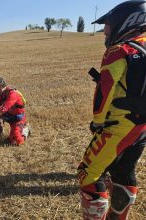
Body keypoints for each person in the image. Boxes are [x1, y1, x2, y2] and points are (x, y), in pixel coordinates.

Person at [77, 1, 146, 219]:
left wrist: (98, 122)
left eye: (107, 25)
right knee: (123, 172)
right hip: (142, 126)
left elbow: (103, 95)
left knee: (87, 175)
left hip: (119, 126)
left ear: (124, 22)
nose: (105, 31)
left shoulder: (118, 51)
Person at [0, 76, 28, 145]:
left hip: (16, 118)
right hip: (8, 115)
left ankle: (26, 129)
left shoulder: (13, 94)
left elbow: (2, 110)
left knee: (16, 141)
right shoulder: (0, 95)